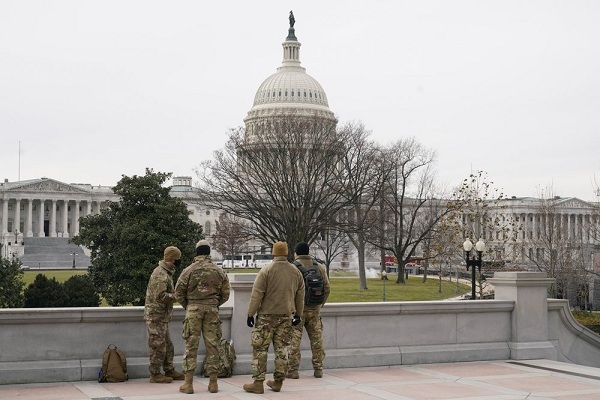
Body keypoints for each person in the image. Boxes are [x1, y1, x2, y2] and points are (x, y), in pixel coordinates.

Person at [243, 241, 305, 394]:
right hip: (286, 316)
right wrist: (298, 314)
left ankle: (258, 383)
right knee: (282, 349)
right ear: (286, 253)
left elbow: (257, 294)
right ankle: (278, 382)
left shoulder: (266, 270)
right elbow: (300, 295)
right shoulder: (295, 271)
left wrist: (250, 313)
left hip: (266, 317)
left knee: (260, 349)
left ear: (273, 253)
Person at [174, 239, 230, 394]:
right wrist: (214, 304)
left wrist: (189, 305)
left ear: (197, 252)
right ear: (209, 252)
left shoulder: (188, 270)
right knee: (213, 346)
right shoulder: (219, 271)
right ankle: (213, 383)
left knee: (191, 346)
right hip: (211, 310)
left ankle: (188, 384)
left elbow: (178, 292)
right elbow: (226, 294)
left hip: (193, 310)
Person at [287, 242, 331, 379]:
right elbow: (327, 288)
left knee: (294, 341)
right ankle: (318, 369)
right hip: (314, 310)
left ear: (296, 253)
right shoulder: (319, 267)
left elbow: (289, 290)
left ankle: (293, 371)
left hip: (297, 312)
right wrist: (319, 305)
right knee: (317, 341)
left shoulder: (293, 268)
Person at [144, 246, 185, 383]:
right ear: (172, 259)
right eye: (178, 259)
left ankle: (169, 369)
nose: (179, 261)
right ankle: (155, 374)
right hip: (156, 316)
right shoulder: (160, 274)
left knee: (167, 344)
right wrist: (177, 296)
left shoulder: (166, 272)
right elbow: (160, 296)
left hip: (162, 316)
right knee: (157, 345)